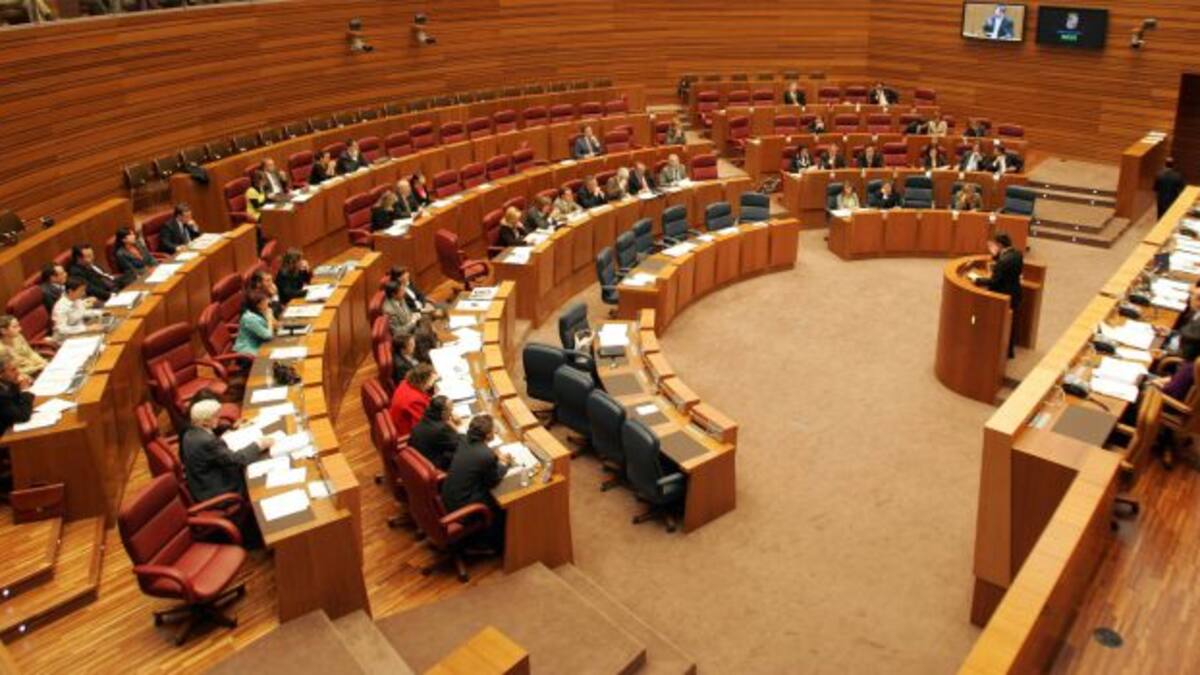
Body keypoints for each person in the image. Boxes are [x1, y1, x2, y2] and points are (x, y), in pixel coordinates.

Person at [180, 399, 272, 548]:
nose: (219, 419)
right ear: (205, 421)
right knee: (260, 478)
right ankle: (262, 531)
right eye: (216, 417)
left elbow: (213, 433)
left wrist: (231, 427)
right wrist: (258, 445)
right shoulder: (206, 441)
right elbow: (237, 460)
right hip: (217, 491)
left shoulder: (189, 433)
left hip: (201, 484)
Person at [440, 414, 512, 549]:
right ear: (488, 435)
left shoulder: (464, 440)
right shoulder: (485, 455)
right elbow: (493, 481)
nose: (495, 432)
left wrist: (494, 456)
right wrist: (505, 465)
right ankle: (494, 545)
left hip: (447, 496)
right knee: (501, 504)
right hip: (462, 508)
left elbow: (478, 456)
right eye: (493, 430)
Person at [973, 232, 1023, 358]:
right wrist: (996, 255)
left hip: (1002, 296)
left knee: (1001, 324)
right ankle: (1009, 351)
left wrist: (978, 280)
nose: (993, 247)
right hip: (1016, 292)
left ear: (1000, 245)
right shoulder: (1017, 254)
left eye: (994, 245)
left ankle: (1000, 352)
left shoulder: (1003, 262)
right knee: (1011, 323)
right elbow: (1003, 263)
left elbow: (994, 281)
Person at [409, 395, 461, 471]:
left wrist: (446, 420)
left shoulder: (425, 418)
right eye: (450, 411)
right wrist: (456, 429)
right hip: (435, 466)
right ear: (443, 412)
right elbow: (461, 444)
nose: (451, 414)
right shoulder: (441, 429)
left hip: (421, 460)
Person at [389, 363, 436, 437]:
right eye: (431, 382)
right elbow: (422, 424)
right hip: (404, 433)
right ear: (423, 381)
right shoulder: (416, 400)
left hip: (395, 421)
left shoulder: (405, 382)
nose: (431, 385)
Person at [0, 314, 45, 380]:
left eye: (18, 325)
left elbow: (30, 353)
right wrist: (37, 368)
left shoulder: (18, 336)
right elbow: (13, 372)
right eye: (15, 327)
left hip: (36, 367)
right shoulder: (2, 351)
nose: (20, 329)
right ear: (3, 331)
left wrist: (43, 362)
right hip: (25, 377)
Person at [233, 290, 275, 355]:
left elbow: (275, 326)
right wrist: (269, 319)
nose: (268, 302)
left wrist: (271, 317)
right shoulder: (250, 318)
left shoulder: (258, 311)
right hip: (247, 352)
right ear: (258, 305)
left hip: (259, 344)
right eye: (265, 300)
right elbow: (268, 336)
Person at [0, 355, 33, 436]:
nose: (18, 372)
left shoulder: (8, 384)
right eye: (13, 370)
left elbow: (18, 403)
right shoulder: (1, 395)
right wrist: (24, 390)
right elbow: (23, 416)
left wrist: (18, 386)